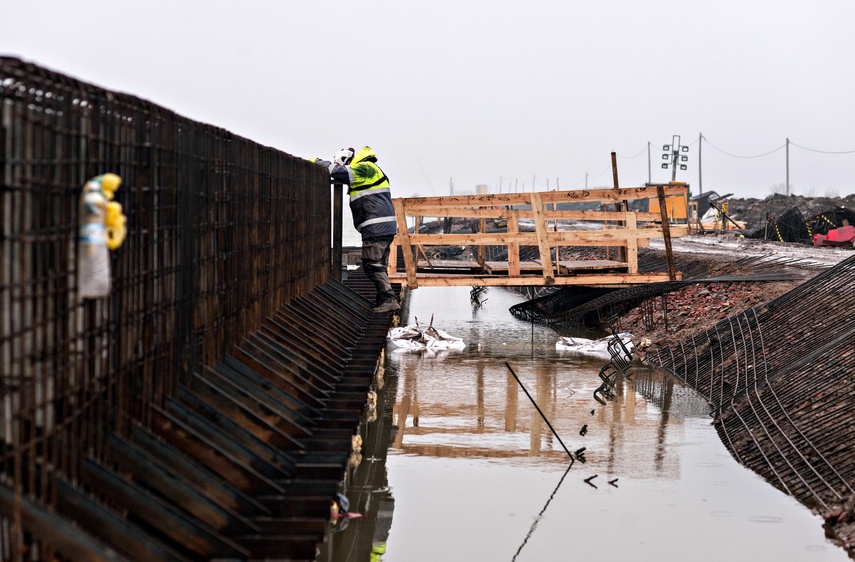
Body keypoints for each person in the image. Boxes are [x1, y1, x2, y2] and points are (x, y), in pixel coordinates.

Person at [313, 146, 400, 313]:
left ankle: (389, 300)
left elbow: (337, 172)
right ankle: (383, 301)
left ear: (347, 161)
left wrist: (317, 162)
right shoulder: (370, 169)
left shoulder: (364, 168)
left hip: (376, 226)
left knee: (371, 264)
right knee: (379, 264)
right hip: (382, 226)